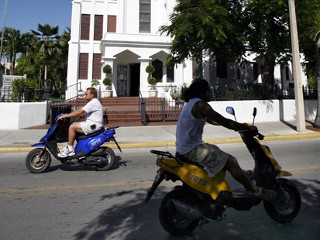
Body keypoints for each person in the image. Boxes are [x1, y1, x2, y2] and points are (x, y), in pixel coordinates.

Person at [176, 78, 265, 197]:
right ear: (202, 92)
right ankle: (254, 190)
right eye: (209, 90)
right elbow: (223, 121)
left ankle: (242, 175)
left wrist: (239, 126)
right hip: (192, 150)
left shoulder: (191, 104)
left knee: (217, 153)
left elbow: (212, 120)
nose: (210, 93)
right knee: (231, 161)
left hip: (187, 148)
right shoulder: (201, 105)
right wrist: (245, 127)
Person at [57, 87, 103, 157]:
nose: (85, 95)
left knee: (72, 127)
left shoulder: (93, 102)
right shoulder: (93, 102)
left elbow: (79, 112)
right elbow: (81, 114)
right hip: (92, 124)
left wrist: (66, 115)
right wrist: (74, 116)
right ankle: (71, 147)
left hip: (94, 125)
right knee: (74, 124)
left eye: (86, 94)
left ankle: (70, 149)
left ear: (92, 95)